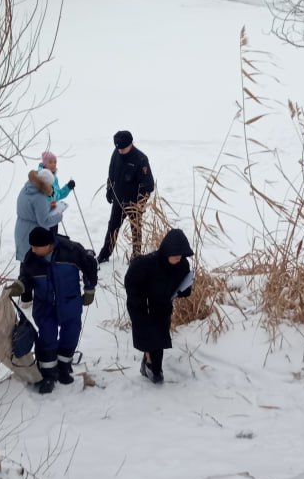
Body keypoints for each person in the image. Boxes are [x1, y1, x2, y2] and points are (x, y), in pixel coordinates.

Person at [12, 226, 98, 394]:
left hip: (70, 302)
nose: (33, 250)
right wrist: (21, 287)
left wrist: (89, 290)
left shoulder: (71, 250)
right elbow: (26, 278)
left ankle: (64, 367)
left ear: (49, 245)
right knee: (47, 337)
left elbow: (89, 266)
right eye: (32, 246)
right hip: (44, 306)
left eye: (37, 247)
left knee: (71, 334)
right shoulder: (31, 259)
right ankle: (48, 374)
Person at [123, 228, 195, 384]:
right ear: (166, 252)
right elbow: (130, 281)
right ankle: (150, 365)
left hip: (162, 305)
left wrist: (185, 290)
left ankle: (153, 367)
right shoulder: (146, 263)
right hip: (142, 305)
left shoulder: (182, 265)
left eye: (180, 256)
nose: (178, 259)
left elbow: (182, 286)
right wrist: (138, 300)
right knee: (149, 336)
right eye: (175, 256)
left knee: (160, 336)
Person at [98, 130, 155, 264]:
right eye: (118, 149)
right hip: (118, 200)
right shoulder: (116, 153)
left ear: (131, 144)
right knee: (112, 227)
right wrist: (109, 190)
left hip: (134, 203)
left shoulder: (141, 159)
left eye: (123, 149)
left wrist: (140, 204)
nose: (121, 151)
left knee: (136, 230)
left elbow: (149, 186)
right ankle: (105, 254)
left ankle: (136, 257)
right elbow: (111, 173)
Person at [14, 168, 64, 260]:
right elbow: (44, 221)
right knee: (36, 263)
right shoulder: (40, 197)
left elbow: (30, 208)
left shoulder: (27, 188)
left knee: (26, 261)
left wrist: (48, 207)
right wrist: (58, 217)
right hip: (33, 233)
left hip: (21, 228)